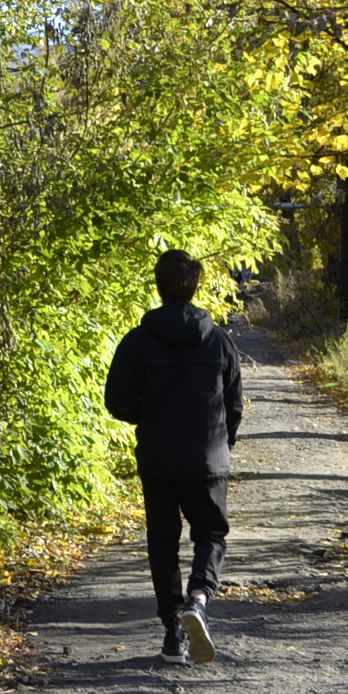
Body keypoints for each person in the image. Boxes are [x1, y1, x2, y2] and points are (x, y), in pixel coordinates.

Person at [103, 248, 245, 665]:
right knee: (211, 534)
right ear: (195, 286)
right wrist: (223, 445)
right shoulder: (219, 341)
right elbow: (234, 404)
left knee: (163, 541)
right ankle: (198, 599)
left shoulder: (137, 342)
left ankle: (172, 633)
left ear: (159, 286)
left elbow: (117, 402)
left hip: (159, 458)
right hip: (207, 457)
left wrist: (149, 416)